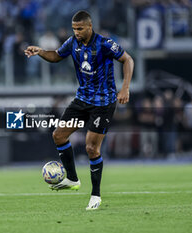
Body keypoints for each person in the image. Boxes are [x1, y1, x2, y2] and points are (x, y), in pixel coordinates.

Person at [24, 10, 134, 210]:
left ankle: (96, 195)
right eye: (74, 29)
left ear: (90, 27)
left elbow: (128, 60)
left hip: (103, 103)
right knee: (58, 135)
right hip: (82, 99)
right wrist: (40, 51)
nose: (76, 32)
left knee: (91, 148)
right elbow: (57, 56)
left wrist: (125, 87)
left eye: (80, 29)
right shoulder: (72, 42)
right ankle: (73, 179)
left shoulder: (105, 44)